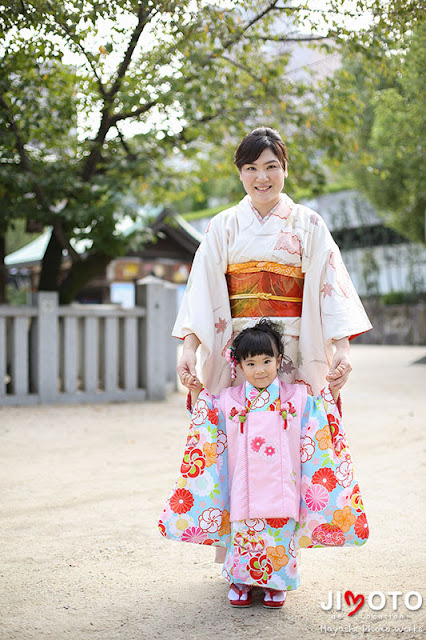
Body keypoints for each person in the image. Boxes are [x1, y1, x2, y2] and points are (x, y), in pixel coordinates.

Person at [159, 320, 368, 609]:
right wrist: (196, 391)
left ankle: (276, 583)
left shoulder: (296, 397)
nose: (260, 370)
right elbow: (207, 418)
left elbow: (320, 413)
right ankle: (240, 580)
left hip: (283, 486)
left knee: (279, 533)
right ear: (239, 367)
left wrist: (331, 391)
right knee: (244, 532)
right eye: (252, 363)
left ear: (279, 361)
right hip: (244, 486)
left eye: (267, 361)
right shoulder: (230, 401)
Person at [174, 126, 372, 399]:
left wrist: (342, 349)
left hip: (295, 346)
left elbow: (332, 287)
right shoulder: (222, 226)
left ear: (285, 169)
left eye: (271, 166)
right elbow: (201, 293)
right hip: (240, 351)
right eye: (251, 168)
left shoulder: (309, 223)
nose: (262, 177)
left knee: (297, 426)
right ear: (240, 173)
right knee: (239, 428)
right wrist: (189, 349)